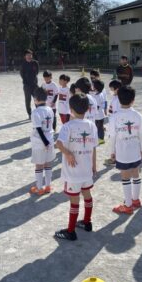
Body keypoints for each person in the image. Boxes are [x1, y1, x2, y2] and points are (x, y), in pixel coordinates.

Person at [54, 93, 98, 241]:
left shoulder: (67, 126)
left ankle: (71, 231)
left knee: (74, 200)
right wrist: (94, 165)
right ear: (87, 109)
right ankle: (87, 222)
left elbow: (58, 144)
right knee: (87, 194)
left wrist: (68, 153)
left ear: (70, 109)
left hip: (73, 172)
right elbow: (93, 147)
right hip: (86, 169)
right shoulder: (92, 125)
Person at [109, 86, 142, 215]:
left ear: (118, 99)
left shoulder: (114, 117)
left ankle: (128, 205)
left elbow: (112, 136)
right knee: (135, 173)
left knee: (125, 177)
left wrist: (112, 152)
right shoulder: (138, 115)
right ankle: (135, 200)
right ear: (133, 100)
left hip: (122, 152)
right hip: (135, 150)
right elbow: (141, 134)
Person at [29, 87, 56, 195]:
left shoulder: (35, 112)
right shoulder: (50, 109)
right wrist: (48, 142)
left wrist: (44, 142)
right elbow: (53, 125)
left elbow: (39, 129)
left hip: (40, 142)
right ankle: (48, 186)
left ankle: (39, 188)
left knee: (39, 165)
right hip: (50, 139)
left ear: (35, 99)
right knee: (48, 163)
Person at [104, 79, 122, 165]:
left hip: (115, 125)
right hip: (112, 123)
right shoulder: (115, 97)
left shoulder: (118, 100)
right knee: (113, 142)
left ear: (117, 89)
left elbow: (118, 114)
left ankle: (114, 159)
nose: (110, 91)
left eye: (111, 89)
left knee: (114, 143)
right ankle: (114, 158)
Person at [20, 49, 39, 119]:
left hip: (34, 85)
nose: (29, 56)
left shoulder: (35, 63)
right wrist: (26, 81)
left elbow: (37, 72)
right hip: (27, 85)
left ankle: (38, 112)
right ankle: (29, 113)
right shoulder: (23, 64)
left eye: (30, 55)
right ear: (25, 56)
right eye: (28, 55)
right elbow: (22, 74)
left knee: (37, 99)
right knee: (28, 100)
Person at [93, 79, 106, 144]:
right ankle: (99, 137)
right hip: (98, 115)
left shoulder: (98, 96)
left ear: (96, 87)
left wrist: (93, 112)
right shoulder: (98, 94)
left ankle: (101, 139)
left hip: (99, 115)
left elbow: (97, 107)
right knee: (98, 126)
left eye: (93, 85)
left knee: (100, 127)